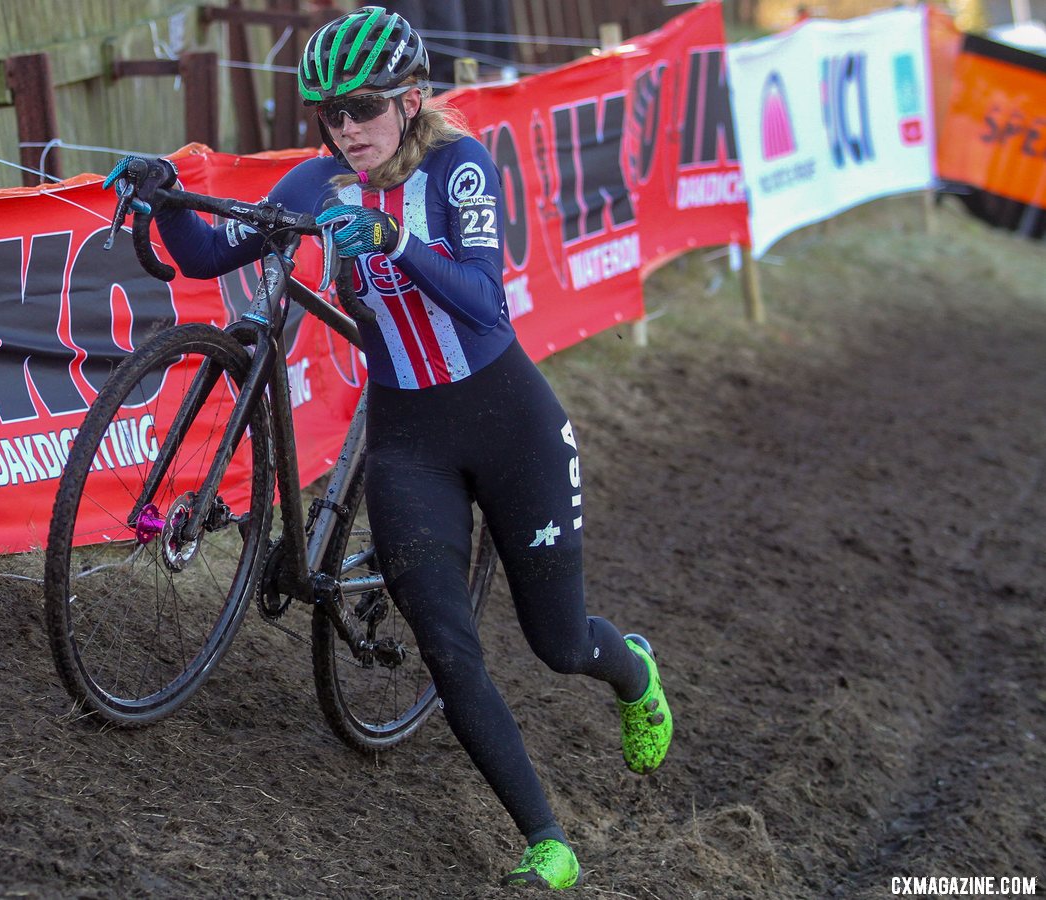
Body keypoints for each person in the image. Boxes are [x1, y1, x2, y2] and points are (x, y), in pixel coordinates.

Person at [108, 6, 672, 889]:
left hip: (510, 420)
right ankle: (545, 842)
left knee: (558, 644)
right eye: (328, 114)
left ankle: (632, 669)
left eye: (363, 108)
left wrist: (397, 239)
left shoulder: (460, 167)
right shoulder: (314, 182)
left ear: (411, 101)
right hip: (407, 436)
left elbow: (487, 303)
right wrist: (162, 195)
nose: (345, 129)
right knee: (446, 646)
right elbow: (211, 256)